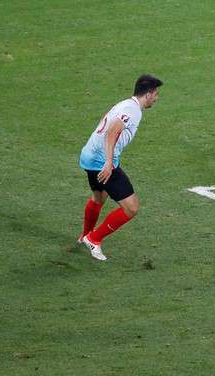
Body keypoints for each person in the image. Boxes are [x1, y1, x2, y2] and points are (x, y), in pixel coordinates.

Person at [77, 74, 162, 261]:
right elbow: (112, 132)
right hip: (102, 161)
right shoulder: (133, 111)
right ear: (147, 94)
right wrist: (108, 162)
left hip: (89, 156)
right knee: (131, 207)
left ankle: (85, 235)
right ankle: (93, 239)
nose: (156, 98)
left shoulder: (124, 104)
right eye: (156, 94)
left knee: (99, 197)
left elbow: (105, 120)